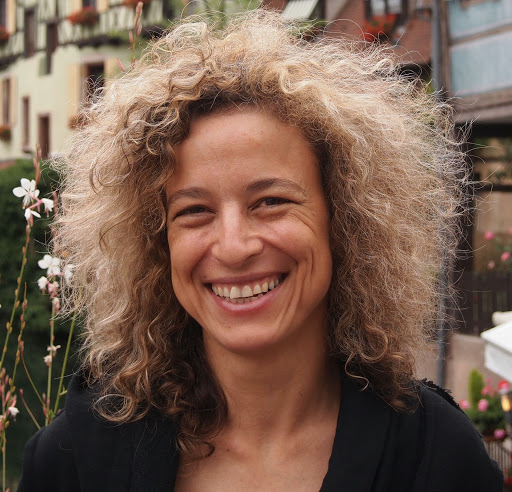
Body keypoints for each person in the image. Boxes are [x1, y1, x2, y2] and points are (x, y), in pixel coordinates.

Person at [20, 9, 503, 492]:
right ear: (157, 243)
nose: (234, 247)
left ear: (344, 220)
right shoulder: (72, 461)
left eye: (271, 202)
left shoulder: (438, 459)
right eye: (194, 211)